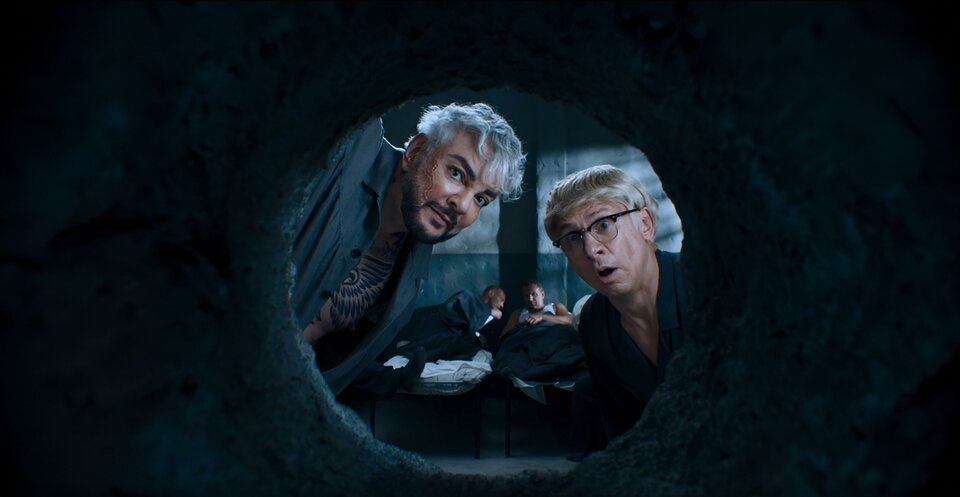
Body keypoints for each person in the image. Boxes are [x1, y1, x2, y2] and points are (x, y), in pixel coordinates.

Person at [291, 103, 526, 394]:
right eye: (456, 173)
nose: (463, 205)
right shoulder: (352, 146)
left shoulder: (409, 270)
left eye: (481, 200)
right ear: (415, 151)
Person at [544, 164, 686, 452]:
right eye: (573, 237)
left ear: (645, 224)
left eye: (604, 224)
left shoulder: (703, 283)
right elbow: (621, 431)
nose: (590, 249)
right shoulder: (594, 321)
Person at [499, 278, 573, 338]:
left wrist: (542, 317)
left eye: (534, 294)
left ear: (542, 294)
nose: (530, 299)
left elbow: (569, 320)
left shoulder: (556, 307)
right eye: (526, 296)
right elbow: (504, 336)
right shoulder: (518, 313)